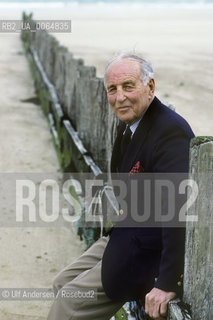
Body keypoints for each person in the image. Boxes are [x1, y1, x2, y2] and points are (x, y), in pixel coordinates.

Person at [47, 53, 195, 320]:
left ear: (150, 87)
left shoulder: (171, 132)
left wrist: (168, 282)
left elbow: (178, 210)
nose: (120, 97)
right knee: (61, 283)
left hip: (149, 253)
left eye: (128, 86)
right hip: (125, 236)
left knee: (68, 303)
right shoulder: (129, 124)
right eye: (112, 90)